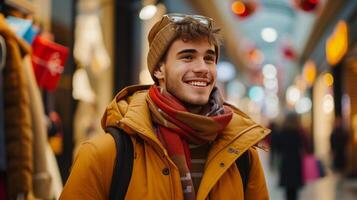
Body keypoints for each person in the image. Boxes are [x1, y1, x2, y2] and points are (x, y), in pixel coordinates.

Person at [60, 13, 270, 200]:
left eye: (209, 58)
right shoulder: (107, 154)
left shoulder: (242, 154)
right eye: (187, 57)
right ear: (159, 69)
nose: (202, 68)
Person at [275, 113, 304, 200]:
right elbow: (305, 146)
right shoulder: (299, 133)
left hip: (286, 162)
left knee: (288, 189)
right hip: (296, 162)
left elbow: (278, 147)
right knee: (295, 190)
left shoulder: (282, 132)